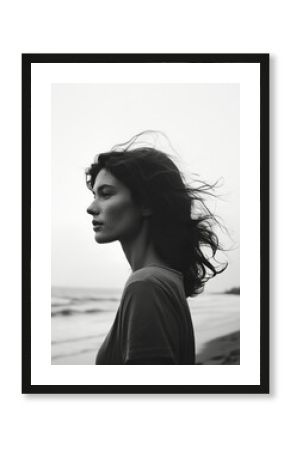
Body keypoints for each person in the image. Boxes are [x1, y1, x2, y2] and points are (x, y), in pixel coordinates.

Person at [86, 131, 226, 365]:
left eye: (106, 194)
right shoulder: (164, 280)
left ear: (146, 204)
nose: (91, 207)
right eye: (94, 195)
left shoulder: (146, 285)